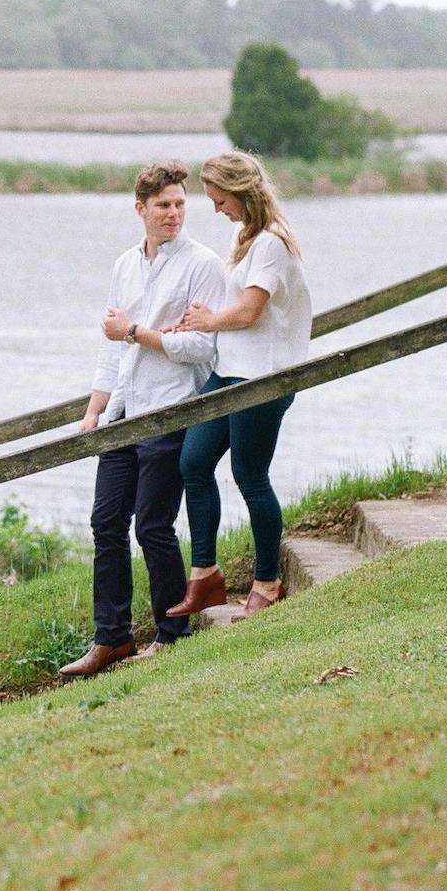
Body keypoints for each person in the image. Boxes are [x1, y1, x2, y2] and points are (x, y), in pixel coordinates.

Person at [56, 161, 227, 680]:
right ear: (141, 210)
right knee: (106, 524)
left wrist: (136, 332)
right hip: (123, 412)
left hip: (171, 408)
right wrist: (93, 412)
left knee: (153, 525)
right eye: (163, 206)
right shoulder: (124, 266)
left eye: (180, 204)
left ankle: (172, 634)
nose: (174, 213)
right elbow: (111, 349)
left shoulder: (204, 265)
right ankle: (111, 639)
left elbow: (202, 345)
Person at [164, 149, 315, 625]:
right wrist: (197, 321)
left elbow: (251, 311)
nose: (216, 209)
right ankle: (206, 577)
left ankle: (268, 583)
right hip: (228, 370)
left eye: (219, 199)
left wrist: (211, 320)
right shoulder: (244, 235)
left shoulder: (271, 242)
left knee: (251, 477)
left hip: (262, 378)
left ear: (240, 191)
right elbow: (236, 305)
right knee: (193, 462)